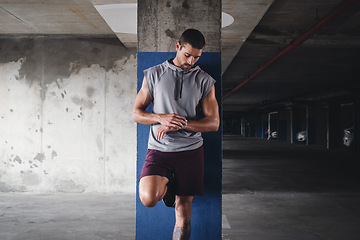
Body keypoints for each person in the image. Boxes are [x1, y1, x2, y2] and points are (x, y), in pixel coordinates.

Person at [133, 28, 219, 240]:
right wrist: (161, 118)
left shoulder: (205, 80)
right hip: (159, 148)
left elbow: (213, 123)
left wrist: (180, 123)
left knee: (183, 212)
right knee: (148, 198)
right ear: (177, 47)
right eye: (187, 55)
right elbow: (136, 113)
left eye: (197, 57)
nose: (191, 61)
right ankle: (168, 184)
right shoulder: (153, 74)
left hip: (190, 151)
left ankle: (172, 185)